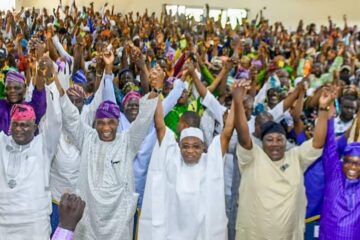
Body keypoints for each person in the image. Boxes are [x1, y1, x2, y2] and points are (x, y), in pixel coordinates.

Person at [56, 64, 160, 239]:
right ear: (94, 123)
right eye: (101, 122)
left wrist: (155, 88)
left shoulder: (128, 141)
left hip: (118, 224)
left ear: (118, 122)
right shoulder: (87, 138)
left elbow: (143, 119)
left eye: (111, 122)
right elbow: (70, 116)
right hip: (88, 222)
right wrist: (55, 80)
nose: (106, 127)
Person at [233, 80, 333, 240]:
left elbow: (318, 142)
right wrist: (237, 102)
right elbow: (244, 137)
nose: (275, 144)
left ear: (285, 141)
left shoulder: (296, 157)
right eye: (269, 139)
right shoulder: (252, 158)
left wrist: (322, 108)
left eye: (279, 139)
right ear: (262, 142)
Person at [138, 83, 236, 240]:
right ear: (179, 146)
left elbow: (228, 132)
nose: (190, 151)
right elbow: (159, 126)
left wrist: (237, 99)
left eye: (196, 147)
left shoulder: (210, 162)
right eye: (186, 146)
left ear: (203, 147)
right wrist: (156, 90)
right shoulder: (172, 159)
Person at [0, 70, 61, 239]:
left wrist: (47, 79)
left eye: (25, 125)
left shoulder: (43, 146)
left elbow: (55, 120)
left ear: (35, 128)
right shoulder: (2, 142)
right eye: (16, 125)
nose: (20, 129)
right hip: (3, 224)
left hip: (34, 224)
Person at [319, 118, 360, 239]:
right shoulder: (334, 177)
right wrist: (329, 118)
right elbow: (330, 147)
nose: (352, 167)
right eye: (349, 161)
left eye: (358, 163)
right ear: (342, 162)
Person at [0, 70, 46, 134]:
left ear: (24, 89)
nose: (12, 91)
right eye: (8, 88)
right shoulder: (2, 105)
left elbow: (39, 95)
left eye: (17, 88)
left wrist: (40, 73)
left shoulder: (31, 108)